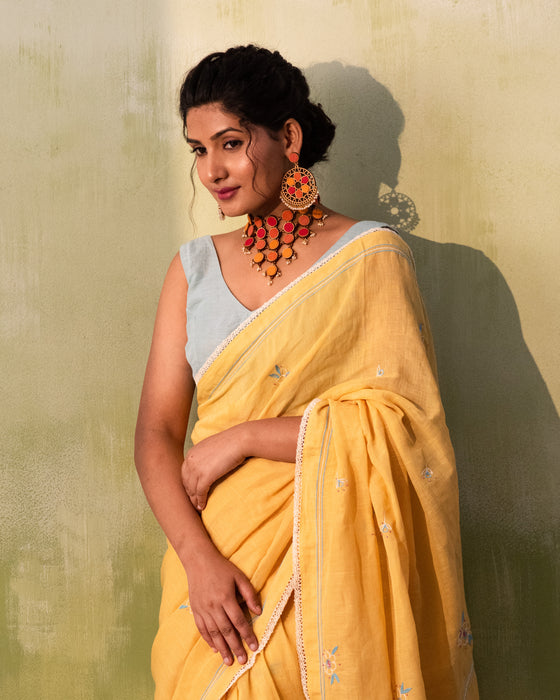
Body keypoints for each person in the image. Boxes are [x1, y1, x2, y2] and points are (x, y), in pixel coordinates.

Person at [134, 45, 478, 699]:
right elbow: (154, 435)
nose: (212, 170)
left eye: (230, 143)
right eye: (198, 150)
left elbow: (403, 429)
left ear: (287, 138)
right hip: (212, 574)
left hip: (328, 563)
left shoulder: (370, 257)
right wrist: (199, 564)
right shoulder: (191, 269)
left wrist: (241, 437)